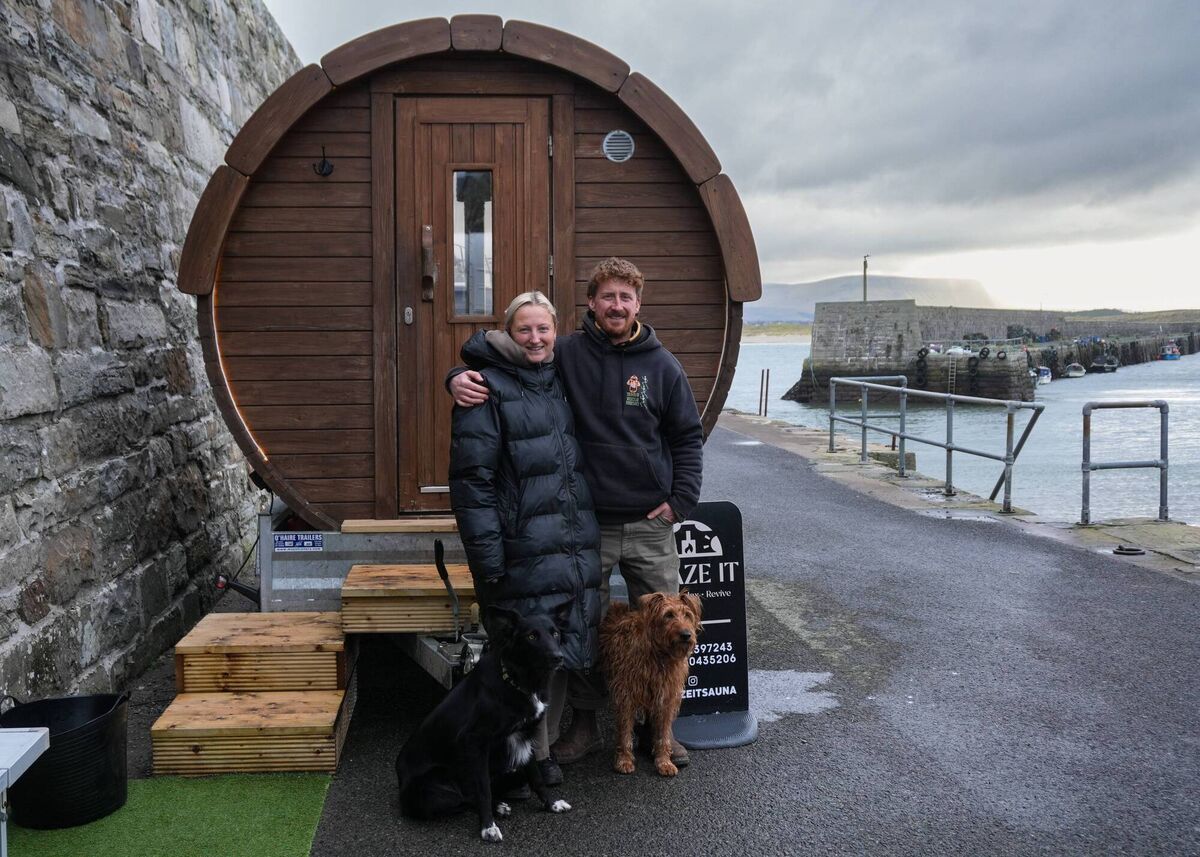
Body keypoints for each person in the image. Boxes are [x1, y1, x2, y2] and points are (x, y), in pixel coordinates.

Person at [449, 257, 703, 767]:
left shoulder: (663, 366)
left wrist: (680, 500)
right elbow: (511, 359)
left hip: (650, 524)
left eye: (625, 297)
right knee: (589, 628)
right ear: (591, 303)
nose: (616, 306)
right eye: (607, 296)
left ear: (638, 303)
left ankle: (661, 730)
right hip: (589, 523)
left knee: (669, 631)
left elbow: (687, 437)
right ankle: (585, 723)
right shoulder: (568, 352)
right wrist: (457, 377)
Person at [449, 290, 602, 788]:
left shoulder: (561, 377)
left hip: (569, 538)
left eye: (543, 328)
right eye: (524, 329)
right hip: (523, 546)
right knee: (524, 656)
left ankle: (542, 747)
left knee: (560, 644)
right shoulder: (485, 388)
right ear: (507, 333)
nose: (535, 338)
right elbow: (472, 485)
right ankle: (527, 759)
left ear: (556, 332)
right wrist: (488, 560)